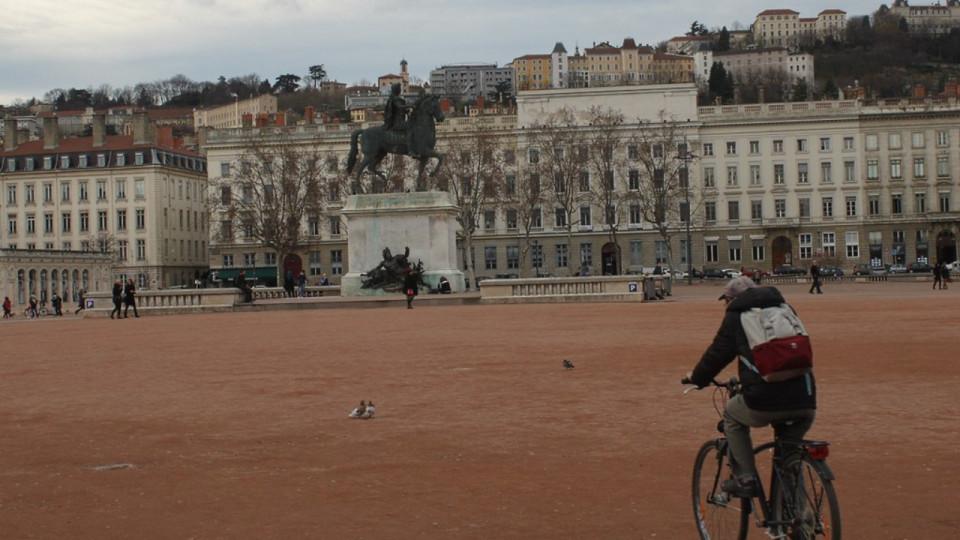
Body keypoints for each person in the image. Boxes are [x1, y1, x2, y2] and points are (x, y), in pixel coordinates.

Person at [685, 276, 816, 497]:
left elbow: (716, 355)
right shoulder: (784, 308)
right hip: (805, 397)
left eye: (725, 301)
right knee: (790, 458)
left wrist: (697, 378)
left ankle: (745, 478)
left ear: (731, 299)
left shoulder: (736, 316)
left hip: (764, 399)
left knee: (732, 416)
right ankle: (803, 521)